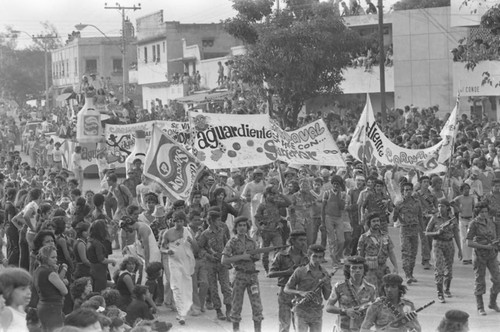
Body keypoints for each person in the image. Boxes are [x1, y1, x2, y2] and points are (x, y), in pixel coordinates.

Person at [222, 216, 264, 332]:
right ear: (235, 227)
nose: (242, 228)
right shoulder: (232, 242)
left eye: (244, 225)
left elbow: (257, 257)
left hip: (252, 276)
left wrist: (254, 255)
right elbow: (224, 260)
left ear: (247, 227)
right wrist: (242, 257)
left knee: (257, 306)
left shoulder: (252, 241)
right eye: (239, 225)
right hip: (239, 276)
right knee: (236, 306)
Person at [160, 211, 197, 325]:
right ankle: (181, 314)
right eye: (177, 221)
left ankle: (184, 310)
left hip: (186, 262)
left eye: (181, 221)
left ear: (184, 221)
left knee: (186, 287)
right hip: (174, 263)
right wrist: (167, 251)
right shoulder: (168, 233)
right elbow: (161, 248)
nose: (179, 223)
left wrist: (192, 242)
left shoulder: (188, 231)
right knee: (176, 286)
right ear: (173, 221)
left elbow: (196, 248)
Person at [284, 244, 332, 332]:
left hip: (316, 312)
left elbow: (327, 296)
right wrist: (301, 293)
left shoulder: (324, 273)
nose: (317, 260)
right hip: (301, 310)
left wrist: (327, 284)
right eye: (314, 256)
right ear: (309, 256)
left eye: (320, 257)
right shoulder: (300, 271)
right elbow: (286, 289)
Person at [268, 230, 309, 332]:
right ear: (292, 241)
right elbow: (271, 273)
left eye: (304, 240)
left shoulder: (306, 258)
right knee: (284, 326)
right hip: (285, 293)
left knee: (300, 326)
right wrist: (287, 272)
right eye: (300, 240)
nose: (303, 243)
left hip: (300, 294)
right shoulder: (281, 255)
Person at [197, 208, 232, 321]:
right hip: (210, 264)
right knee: (213, 288)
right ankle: (218, 310)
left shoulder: (222, 230)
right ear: (211, 221)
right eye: (217, 220)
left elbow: (227, 243)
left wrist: (227, 255)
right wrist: (209, 256)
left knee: (226, 287)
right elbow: (200, 249)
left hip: (222, 262)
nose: (219, 222)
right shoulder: (205, 234)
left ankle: (229, 309)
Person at [466, 201, 500, 315]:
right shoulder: (473, 224)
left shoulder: (491, 222)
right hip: (479, 256)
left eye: (486, 212)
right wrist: (485, 246)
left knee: (498, 279)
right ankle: (480, 307)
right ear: (477, 213)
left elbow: (495, 237)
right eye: (482, 212)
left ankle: (492, 302)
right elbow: (469, 242)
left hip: (492, 255)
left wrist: (495, 245)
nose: (484, 214)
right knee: (480, 281)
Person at [326, 256, 377, 332]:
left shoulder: (371, 288)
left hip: (362, 328)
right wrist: (345, 311)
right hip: (344, 328)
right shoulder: (339, 286)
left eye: (360, 268)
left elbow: (375, 309)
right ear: (348, 270)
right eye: (354, 268)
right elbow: (328, 307)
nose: (357, 270)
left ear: (364, 270)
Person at [425, 199, 462, 303]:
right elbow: (427, 233)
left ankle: (447, 289)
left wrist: (460, 249)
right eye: (439, 206)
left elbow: (456, 234)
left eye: (443, 206)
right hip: (438, 244)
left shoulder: (452, 219)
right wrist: (437, 232)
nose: (440, 208)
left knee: (449, 269)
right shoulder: (434, 218)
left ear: (447, 208)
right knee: (439, 268)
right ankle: (440, 292)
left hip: (449, 244)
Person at [357, 212, 398, 294]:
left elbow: (391, 252)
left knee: (385, 292)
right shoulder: (364, 237)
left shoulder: (385, 236)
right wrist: (361, 270)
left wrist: (395, 266)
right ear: (369, 223)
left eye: (378, 221)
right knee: (372, 291)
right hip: (370, 270)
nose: (376, 223)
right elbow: (360, 255)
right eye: (374, 221)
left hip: (383, 269)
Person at [254, 185, 291, 273]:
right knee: (265, 253)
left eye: (274, 194)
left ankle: (275, 268)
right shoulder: (262, 206)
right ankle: (266, 269)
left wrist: (280, 194)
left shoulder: (277, 203)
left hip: (276, 231)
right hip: (266, 232)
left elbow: (288, 203)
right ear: (266, 195)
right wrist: (260, 229)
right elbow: (256, 219)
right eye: (270, 194)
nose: (272, 196)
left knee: (279, 249)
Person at [393, 182, 423, 285]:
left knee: (413, 253)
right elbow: (394, 218)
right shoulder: (399, 203)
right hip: (405, 229)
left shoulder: (417, 202)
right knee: (406, 252)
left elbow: (420, 217)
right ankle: (407, 275)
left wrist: (423, 230)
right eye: (406, 190)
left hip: (415, 229)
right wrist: (395, 212)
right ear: (403, 192)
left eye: (410, 189)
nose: (408, 191)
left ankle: (411, 273)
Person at [33, 245, 68, 332]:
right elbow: (64, 291)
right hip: (53, 308)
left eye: (56, 257)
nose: (56, 259)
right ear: (45, 258)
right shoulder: (50, 273)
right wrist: (63, 272)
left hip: (42, 305)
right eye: (53, 257)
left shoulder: (37, 270)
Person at [322, 175, 346, 267]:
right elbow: (323, 208)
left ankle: (338, 255)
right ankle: (334, 260)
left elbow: (342, 207)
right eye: (335, 184)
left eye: (338, 184)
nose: (336, 186)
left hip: (338, 218)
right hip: (329, 217)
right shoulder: (327, 193)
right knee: (331, 240)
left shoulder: (343, 194)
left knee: (341, 240)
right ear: (332, 184)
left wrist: (339, 195)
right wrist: (322, 221)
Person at [87, 220, 116, 292]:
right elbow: (101, 259)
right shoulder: (97, 244)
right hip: (99, 271)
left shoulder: (90, 240)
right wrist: (112, 261)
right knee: (100, 290)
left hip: (92, 268)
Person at [0, 267, 32, 332]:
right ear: (8, 291)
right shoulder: (7, 312)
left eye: (29, 288)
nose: (29, 292)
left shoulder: (20, 308)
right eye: (23, 289)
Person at [452, 183, 475, 265]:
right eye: (465, 189)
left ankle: (470, 257)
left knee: (470, 237)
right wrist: (457, 209)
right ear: (461, 190)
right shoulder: (459, 198)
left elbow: (474, 208)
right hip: (462, 219)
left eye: (468, 188)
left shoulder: (471, 198)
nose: (467, 190)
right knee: (463, 238)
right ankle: (465, 258)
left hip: (470, 219)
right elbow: (451, 203)